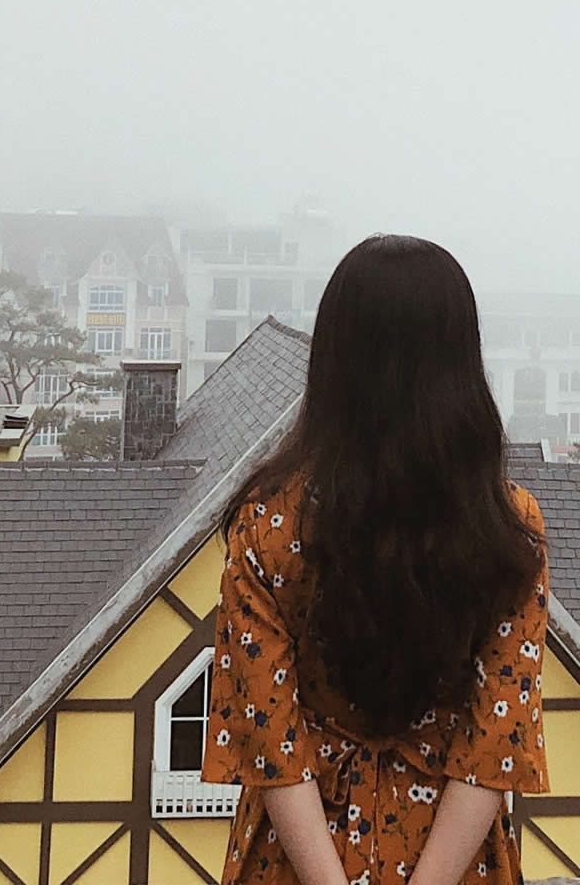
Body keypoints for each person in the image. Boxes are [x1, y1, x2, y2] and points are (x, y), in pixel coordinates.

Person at [200, 235, 549, 885]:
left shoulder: (268, 524)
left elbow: (272, 743)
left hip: (295, 860)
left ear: (333, 361)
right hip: (456, 857)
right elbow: (492, 745)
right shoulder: (507, 530)